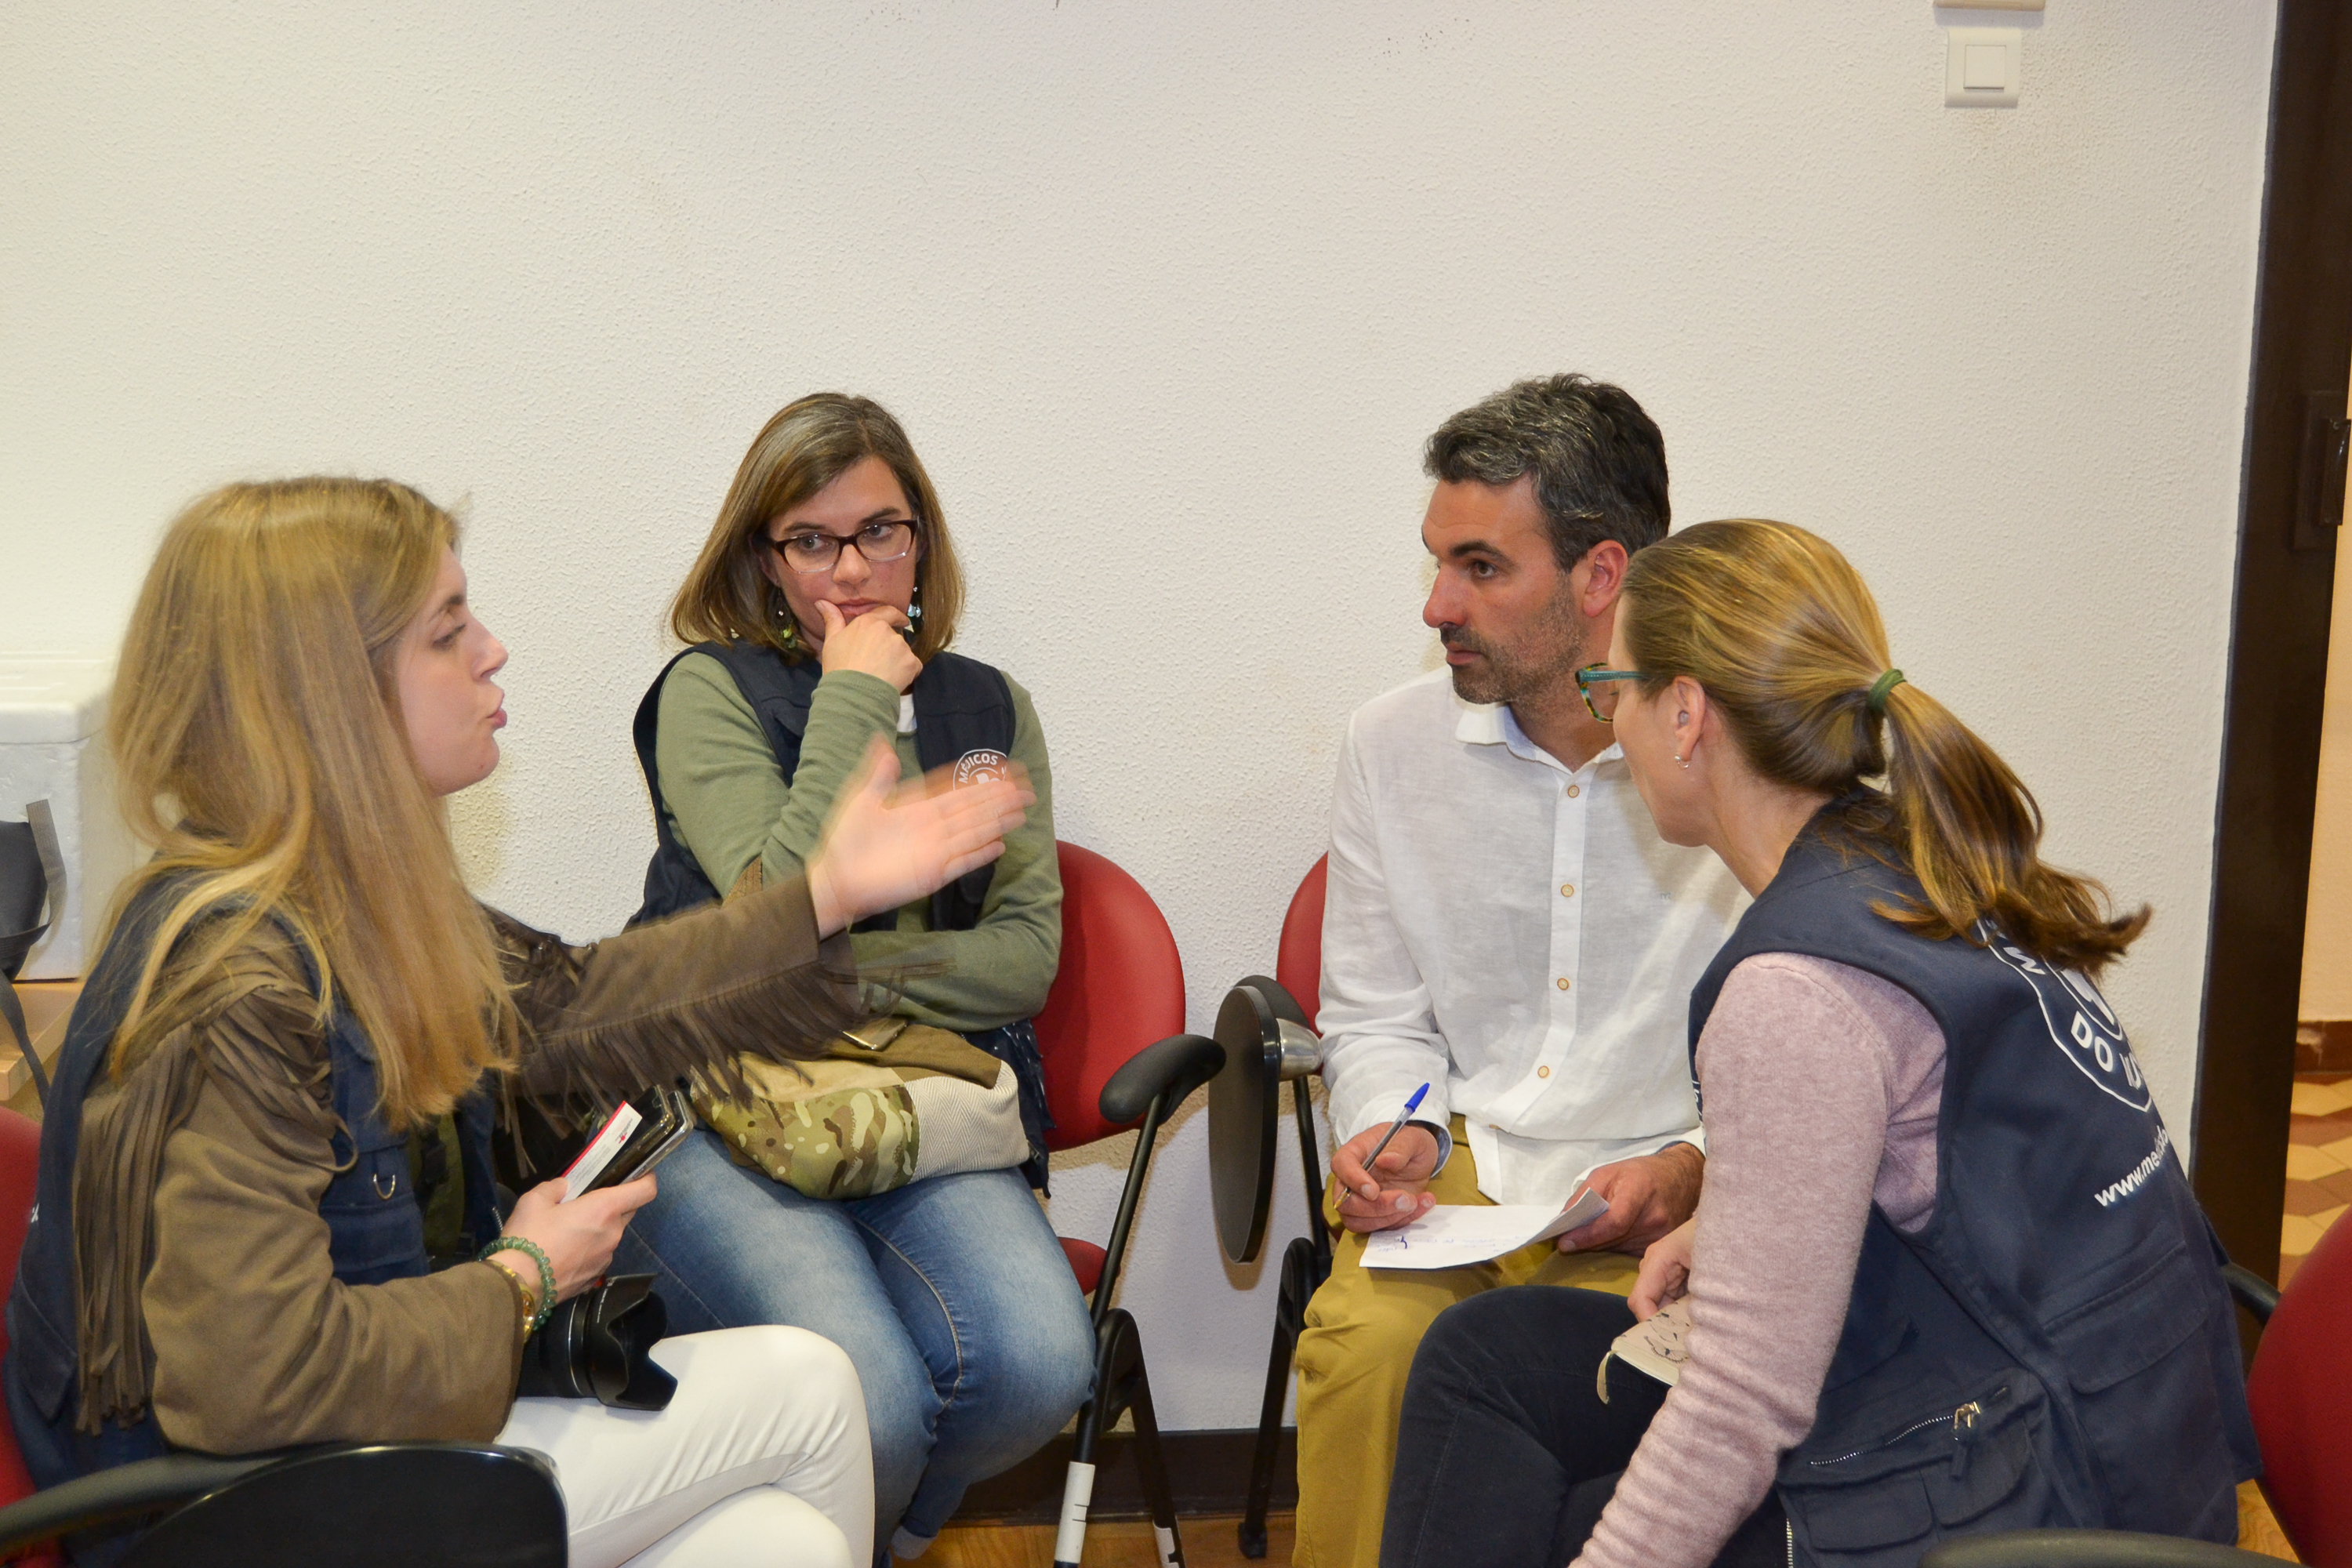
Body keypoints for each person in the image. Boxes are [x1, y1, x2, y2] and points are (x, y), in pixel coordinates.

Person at [3, 477, 1034, 1568]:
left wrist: (823, 895)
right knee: (815, 1389)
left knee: (783, 1540)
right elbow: (255, 1380)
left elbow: (575, 1001)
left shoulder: (344, 900)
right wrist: (523, 1278)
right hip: (241, 1519)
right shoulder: (240, 990)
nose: (492, 651)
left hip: (344, 1455)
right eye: (448, 632)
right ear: (328, 696)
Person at [1381, 518, 2259, 1568]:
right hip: (2128, 1430)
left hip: (2040, 1485)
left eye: (1614, 689)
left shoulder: (1794, 994)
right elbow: (1958, 1162)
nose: (1612, 725)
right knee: (1485, 1360)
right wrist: (1740, 1225)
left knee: (1581, 1524)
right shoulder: (1918, 861)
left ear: (1686, 714)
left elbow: (1741, 1404)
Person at [613, 393, 1092, 1560]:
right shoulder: (707, 691)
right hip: (716, 1100)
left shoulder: (990, 707)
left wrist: (838, 975)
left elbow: (1023, 961)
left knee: (1038, 1367)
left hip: (910, 1092)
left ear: (920, 536)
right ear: (764, 561)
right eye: (811, 541)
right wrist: (855, 693)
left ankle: (879, 1540)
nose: (851, 570)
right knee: (865, 1400)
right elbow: (776, 911)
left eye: (880, 531)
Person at [1292, 375, 1750, 1568]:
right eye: (1438, 561)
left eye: (1482, 567)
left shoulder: (1733, 753)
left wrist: (1691, 1169)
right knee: (1366, 1356)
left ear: (1602, 576)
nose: (1437, 604)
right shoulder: (1390, 745)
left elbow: (1818, 1037)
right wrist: (1394, 1126)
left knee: (1590, 1396)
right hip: (1466, 1167)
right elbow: (1375, 1014)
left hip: (1665, 1199)